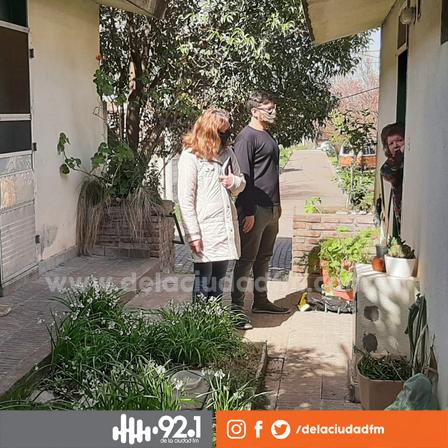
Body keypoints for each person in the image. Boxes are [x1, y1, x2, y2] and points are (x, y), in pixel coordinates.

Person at [231, 91, 290, 330]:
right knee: (246, 259)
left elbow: (270, 173)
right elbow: (243, 177)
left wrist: (277, 204)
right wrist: (248, 211)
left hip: (271, 208)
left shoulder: (267, 135)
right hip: (253, 209)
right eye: (268, 109)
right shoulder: (246, 138)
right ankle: (236, 309)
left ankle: (261, 300)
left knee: (264, 257)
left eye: (274, 108)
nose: (273, 112)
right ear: (254, 111)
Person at [178, 108, 246, 301]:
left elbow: (241, 182)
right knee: (203, 283)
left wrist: (234, 182)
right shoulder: (191, 156)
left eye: (227, 131)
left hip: (224, 229)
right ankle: (200, 319)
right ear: (210, 131)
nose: (226, 136)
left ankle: (215, 317)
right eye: (221, 132)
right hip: (205, 231)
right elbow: (185, 200)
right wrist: (193, 235)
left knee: (218, 284)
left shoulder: (227, 153)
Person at [380, 123, 405, 237]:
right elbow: (386, 173)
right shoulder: (391, 163)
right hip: (402, 209)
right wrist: (400, 154)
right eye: (391, 143)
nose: (395, 145)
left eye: (399, 140)